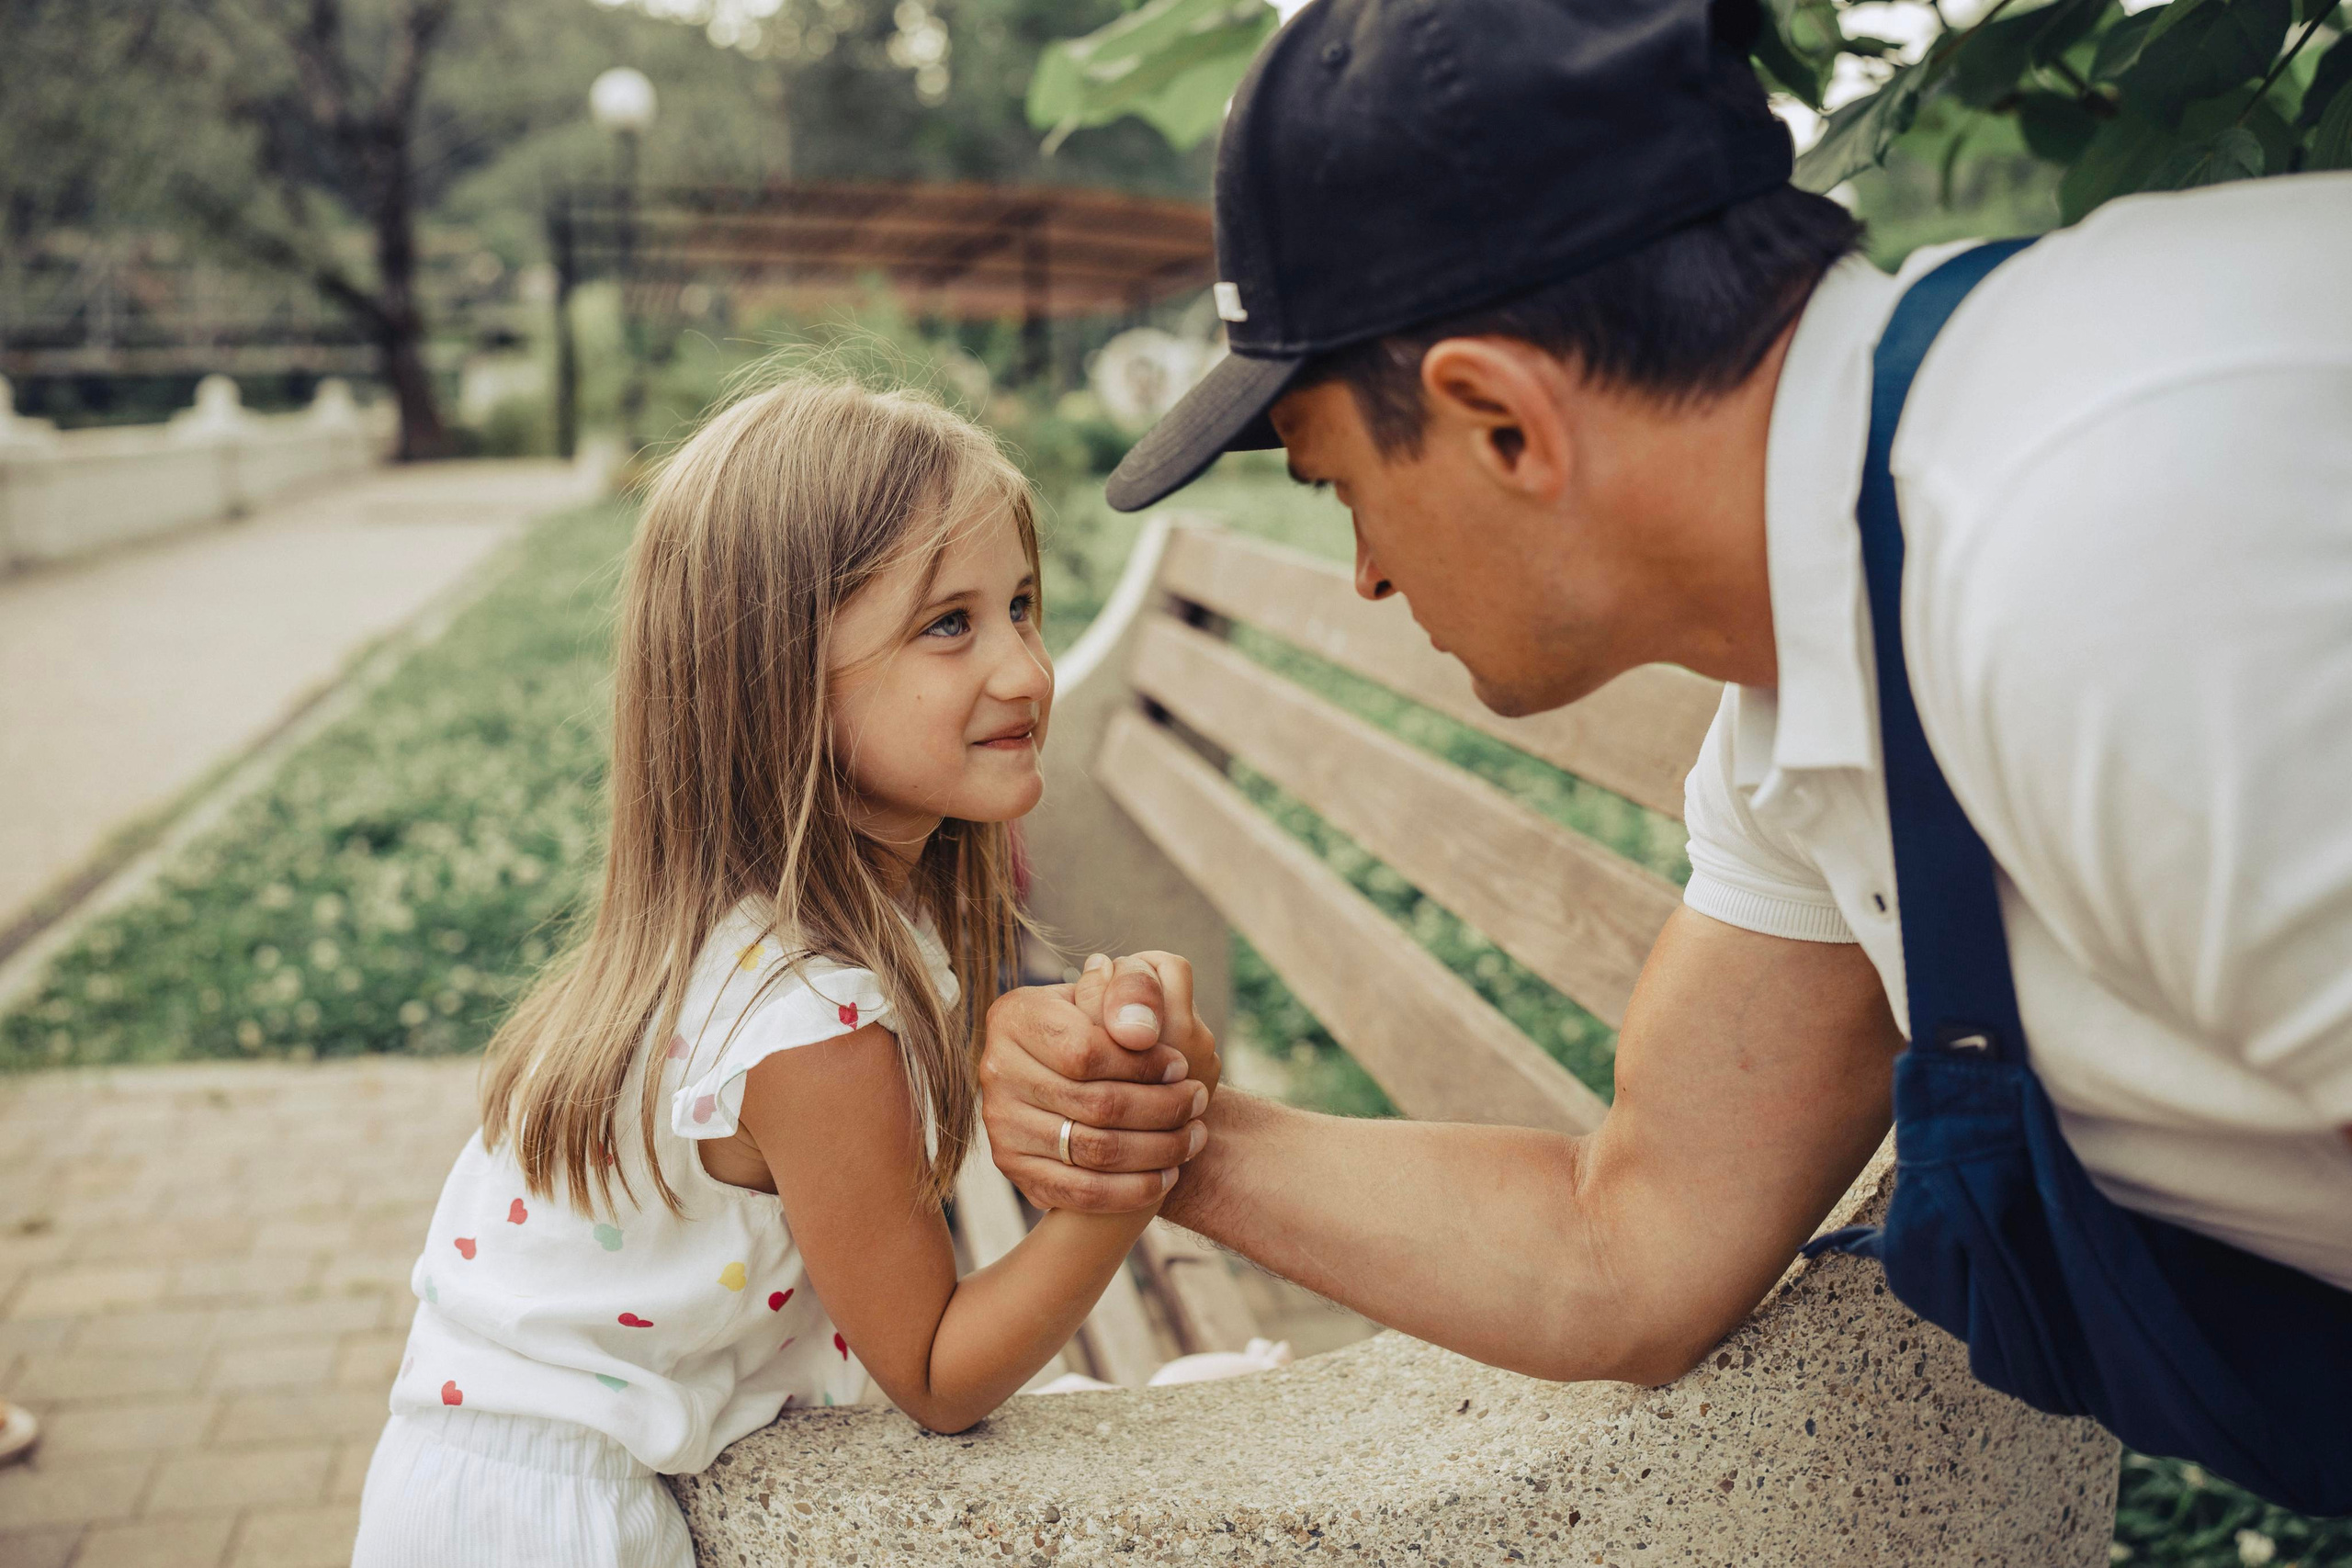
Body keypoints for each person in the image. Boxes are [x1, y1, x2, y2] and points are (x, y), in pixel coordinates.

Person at [975, 0, 2352, 1512]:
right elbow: (1625, 1243)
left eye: (1338, 482)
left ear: (1499, 419)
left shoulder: (2118, 589)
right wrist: (1162, 1135)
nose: (1364, 570)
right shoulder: (1823, 672)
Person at [351, 375, 1216, 1567]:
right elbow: (933, 1375)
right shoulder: (806, 1020)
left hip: (463, 1493)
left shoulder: (737, 933)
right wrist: (1121, 1181)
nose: (1026, 669)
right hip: (563, 1532)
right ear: (778, 680)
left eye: (1021, 605)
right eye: (948, 624)